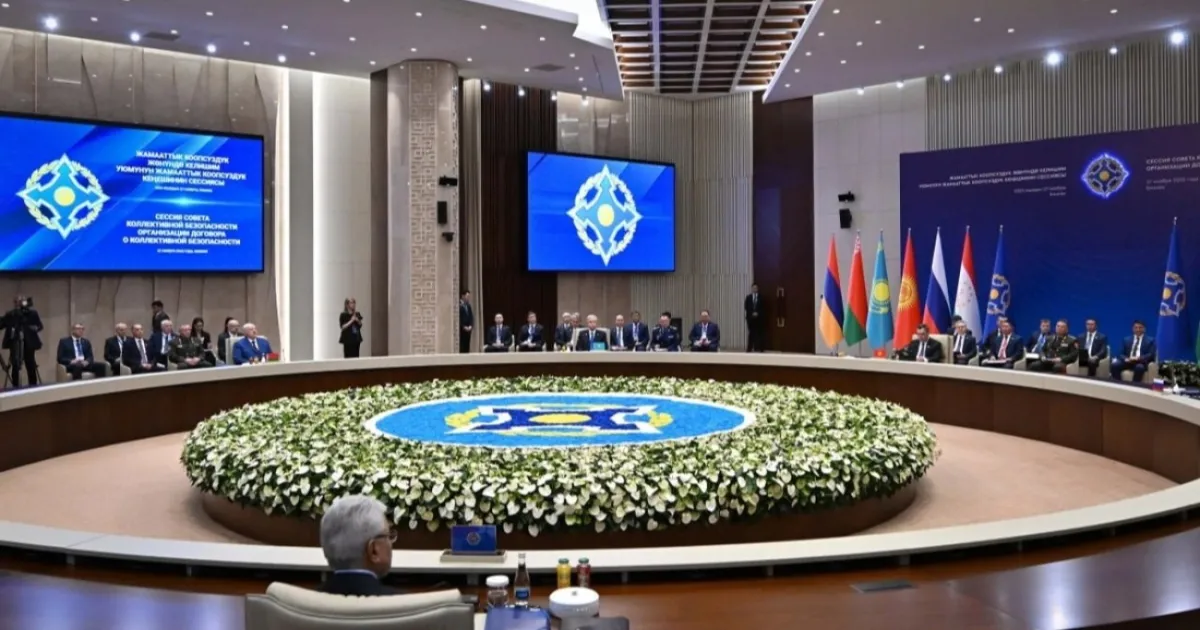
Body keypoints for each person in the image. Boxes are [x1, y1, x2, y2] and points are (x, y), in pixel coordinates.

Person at [316, 495, 401, 596]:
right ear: (374, 550)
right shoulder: (407, 605)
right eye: (388, 536)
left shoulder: (306, 603)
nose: (391, 543)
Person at [1, 295, 43, 386]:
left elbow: (40, 326)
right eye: (17, 302)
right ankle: (15, 387)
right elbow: (1, 324)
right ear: (14, 303)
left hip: (29, 343)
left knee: (30, 365)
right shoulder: (11, 314)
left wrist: (35, 328)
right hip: (15, 343)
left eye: (21, 301)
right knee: (15, 366)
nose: (19, 303)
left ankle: (33, 386)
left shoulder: (32, 313)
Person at [744, 283, 764, 352]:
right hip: (751, 319)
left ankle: (759, 348)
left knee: (759, 334)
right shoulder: (748, 297)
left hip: (759, 319)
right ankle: (749, 348)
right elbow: (746, 307)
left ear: (757, 289)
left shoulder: (761, 297)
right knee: (751, 334)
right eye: (753, 288)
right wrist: (752, 313)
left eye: (756, 288)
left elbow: (763, 308)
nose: (754, 289)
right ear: (751, 289)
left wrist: (757, 313)